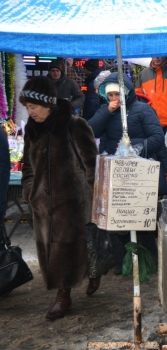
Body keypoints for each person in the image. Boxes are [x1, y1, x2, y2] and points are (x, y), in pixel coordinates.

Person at [19, 76, 97, 320]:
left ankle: (64, 295)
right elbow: (28, 168)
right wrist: (30, 191)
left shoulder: (75, 125)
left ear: (48, 104)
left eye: (33, 106)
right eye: (27, 107)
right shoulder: (31, 131)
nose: (29, 112)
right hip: (42, 204)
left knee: (73, 248)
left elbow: (92, 166)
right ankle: (68, 288)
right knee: (52, 251)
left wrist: (92, 198)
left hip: (73, 203)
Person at [88, 72, 167, 276]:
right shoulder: (104, 110)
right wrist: (106, 111)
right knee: (119, 217)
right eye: (111, 95)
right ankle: (122, 260)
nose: (114, 98)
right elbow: (90, 131)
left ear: (126, 91)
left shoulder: (143, 110)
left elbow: (157, 138)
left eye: (117, 94)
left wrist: (135, 148)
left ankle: (149, 258)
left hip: (140, 171)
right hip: (115, 172)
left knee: (141, 216)